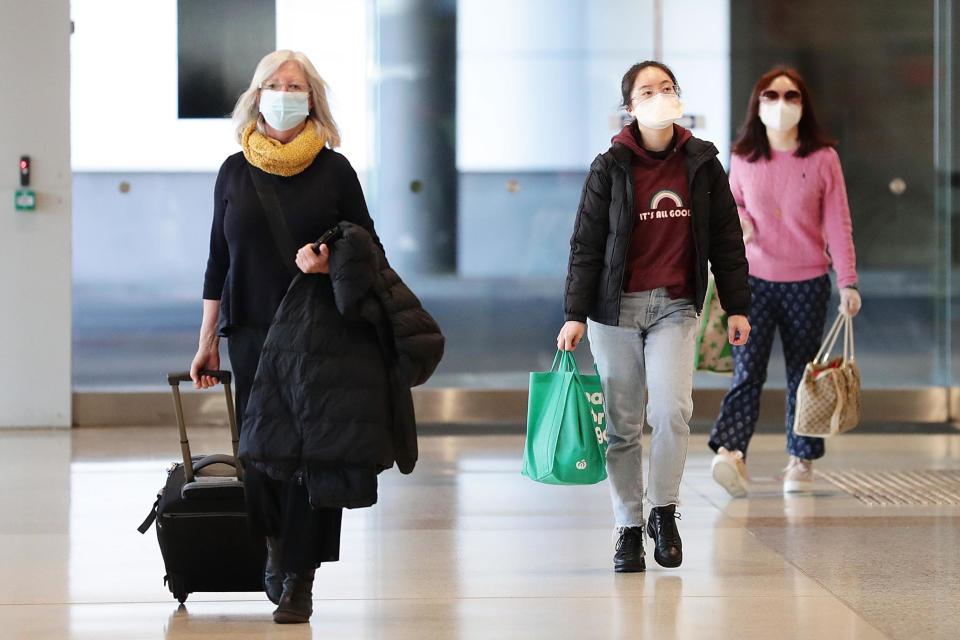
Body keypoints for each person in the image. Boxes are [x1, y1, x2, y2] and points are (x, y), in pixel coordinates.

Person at [190, 50, 391, 624]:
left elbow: (369, 250)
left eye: (295, 84)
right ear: (256, 97)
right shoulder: (234, 170)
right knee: (261, 452)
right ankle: (276, 546)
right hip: (252, 329)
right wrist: (208, 338)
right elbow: (217, 260)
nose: (284, 92)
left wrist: (331, 263)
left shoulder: (336, 171)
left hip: (321, 332)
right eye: (274, 84)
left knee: (312, 454)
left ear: (312, 98)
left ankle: (299, 575)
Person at [559, 61, 752, 573]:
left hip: (674, 306)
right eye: (647, 91)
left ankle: (662, 512)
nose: (659, 96)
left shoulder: (702, 162)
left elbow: (726, 240)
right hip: (612, 310)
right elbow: (586, 246)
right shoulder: (609, 166)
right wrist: (574, 313)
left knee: (670, 411)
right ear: (630, 107)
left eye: (667, 88)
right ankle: (627, 527)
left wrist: (737, 304)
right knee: (622, 426)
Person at [708, 67, 861, 498]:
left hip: (807, 282)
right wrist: (740, 221)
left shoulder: (823, 158)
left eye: (790, 95)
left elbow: (838, 222)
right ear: (757, 105)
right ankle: (732, 452)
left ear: (803, 104)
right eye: (770, 95)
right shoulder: (743, 156)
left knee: (803, 375)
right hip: (753, 282)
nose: (780, 104)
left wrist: (847, 281)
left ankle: (801, 460)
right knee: (747, 371)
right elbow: (728, 205)